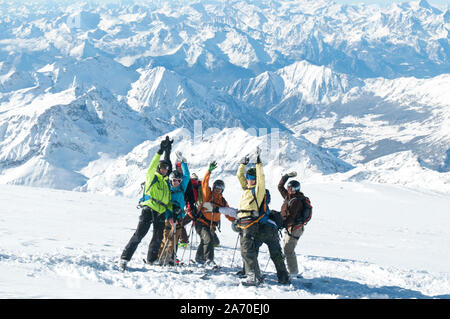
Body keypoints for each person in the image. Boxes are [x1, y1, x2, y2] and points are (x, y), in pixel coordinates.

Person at [119, 136, 173, 271]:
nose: (165, 169)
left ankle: (151, 259)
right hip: (149, 209)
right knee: (139, 234)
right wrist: (160, 151)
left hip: (160, 212)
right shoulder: (152, 177)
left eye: (166, 168)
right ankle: (124, 258)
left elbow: (168, 201)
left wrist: (168, 152)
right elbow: (152, 165)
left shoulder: (166, 182)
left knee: (158, 237)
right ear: (159, 168)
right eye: (162, 167)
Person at [194, 161, 234, 268]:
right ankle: (209, 260)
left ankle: (199, 257)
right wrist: (209, 172)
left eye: (220, 188)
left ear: (222, 190)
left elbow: (228, 213)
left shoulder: (223, 201)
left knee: (205, 240)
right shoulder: (208, 196)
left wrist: (235, 221)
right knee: (209, 240)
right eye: (216, 187)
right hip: (201, 223)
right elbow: (204, 184)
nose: (217, 189)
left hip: (212, 226)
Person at [236, 148, 266, 286]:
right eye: (249, 178)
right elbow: (239, 176)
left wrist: (258, 163)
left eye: (253, 178)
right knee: (248, 250)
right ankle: (257, 275)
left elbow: (261, 178)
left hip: (249, 222)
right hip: (242, 221)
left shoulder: (258, 191)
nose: (250, 180)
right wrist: (243, 164)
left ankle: (252, 277)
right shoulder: (246, 188)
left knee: (246, 250)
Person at [158, 152, 190, 265]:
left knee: (174, 240)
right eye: (174, 180)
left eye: (178, 181)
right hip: (169, 217)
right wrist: (169, 217)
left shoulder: (182, 188)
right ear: (170, 180)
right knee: (166, 238)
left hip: (180, 217)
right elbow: (166, 205)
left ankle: (167, 258)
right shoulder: (168, 189)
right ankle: (160, 258)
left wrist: (183, 163)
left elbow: (187, 176)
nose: (176, 182)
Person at [278, 172, 312, 276]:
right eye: (288, 188)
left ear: (296, 189)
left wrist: (281, 224)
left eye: (292, 189)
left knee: (288, 250)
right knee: (287, 248)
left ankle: (293, 272)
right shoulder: (288, 197)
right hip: (290, 227)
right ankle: (290, 270)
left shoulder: (297, 201)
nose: (289, 190)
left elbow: (291, 217)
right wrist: (285, 177)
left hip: (295, 228)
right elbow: (280, 187)